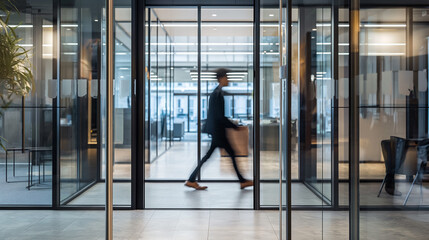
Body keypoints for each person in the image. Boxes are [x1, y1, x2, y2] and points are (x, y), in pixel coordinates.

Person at [185, 68, 253, 190]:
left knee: (217, 155)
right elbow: (219, 116)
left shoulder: (217, 93)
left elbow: (219, 116)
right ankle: (242, 181)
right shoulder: (217, 94)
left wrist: (233, 126)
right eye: (227, 77)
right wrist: (235, 127)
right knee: (228, 154)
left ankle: (191, 179)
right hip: (218, 132)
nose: (228, 80)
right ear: (221, 78)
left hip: (218, 131)